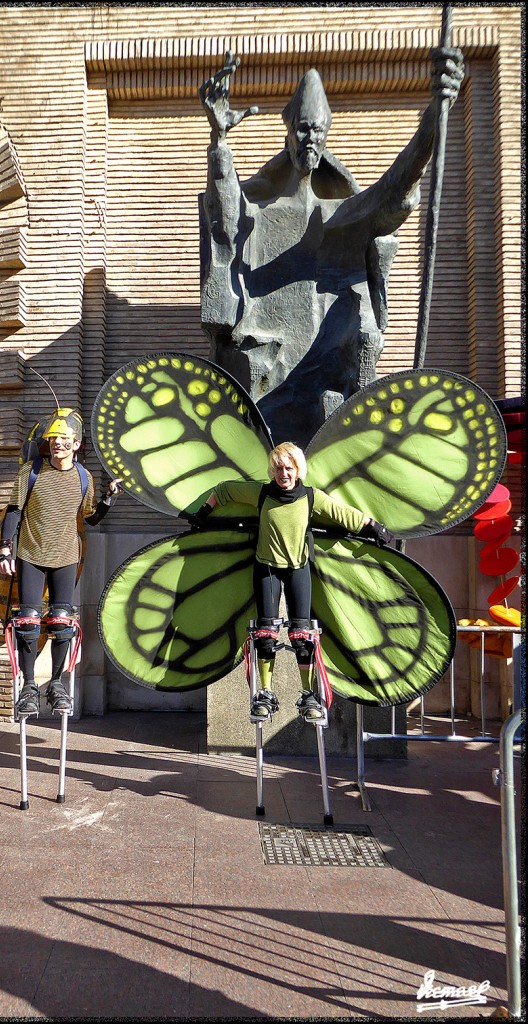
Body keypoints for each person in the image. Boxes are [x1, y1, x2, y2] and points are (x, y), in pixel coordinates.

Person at [199, 47, 465, 446]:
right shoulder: (259, 209)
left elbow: (395, 187)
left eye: (318, 130)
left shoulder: (344, 214)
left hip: (329, 391)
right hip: (263, 385)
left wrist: (434, 117)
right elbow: (224, 219)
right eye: (303, 128)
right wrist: (219, 141)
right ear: (288, 131)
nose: (311, 138)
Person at [191, 442, 392, 722]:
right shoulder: (262, 494)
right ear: (272, 470)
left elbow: (340, 513)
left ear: (297, 470)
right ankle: (265, 693)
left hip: (298, 568)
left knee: (302, 635)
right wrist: (203, 511)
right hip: (267, 569)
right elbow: (224, 490)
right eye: (278, 468)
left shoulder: (310, 497)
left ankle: (308, 694)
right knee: (265, 634)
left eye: (289, 468)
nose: (283, 473)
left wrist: (372, 526)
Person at [0, 407, 122, 715]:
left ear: (77, 444)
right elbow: (15, 510)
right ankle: (28, 685)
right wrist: (4, 549)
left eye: (65, 440)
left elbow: (90, 517)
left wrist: (109, 497)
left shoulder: (83, 477)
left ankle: (55, 683)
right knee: (28, 618)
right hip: (30, 553)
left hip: (66, 555)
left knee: (62, 619)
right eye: (54, 439)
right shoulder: (32, 471)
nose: (58, 444)